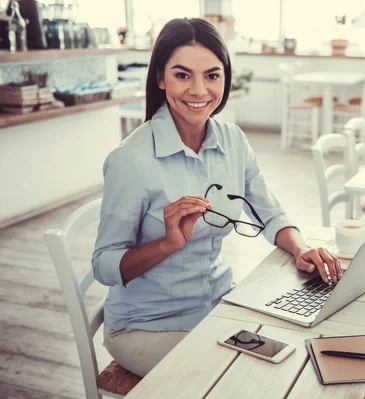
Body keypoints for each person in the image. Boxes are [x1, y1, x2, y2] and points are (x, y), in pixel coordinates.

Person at [92, 18, 341, 377]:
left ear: (225, 78)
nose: (198, 90)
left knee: (302, 353)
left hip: (219, 307)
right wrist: (168, 243)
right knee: (245, 379)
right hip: (147, 326)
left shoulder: (233, 140)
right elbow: (104, 265)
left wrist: (301, 249)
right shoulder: (131, 160)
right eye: (182, 75)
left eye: (212, 75)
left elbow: (270, 214)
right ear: (160, 78)